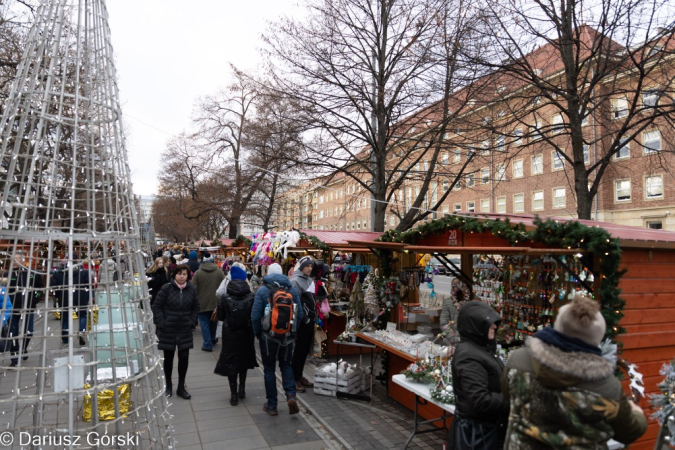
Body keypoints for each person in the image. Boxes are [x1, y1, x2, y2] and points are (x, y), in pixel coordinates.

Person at [502, 295, 648, 449]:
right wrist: (637, 413)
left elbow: (508, 394)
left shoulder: (519, 360)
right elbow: (629, 432)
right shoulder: (607, 387)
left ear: (559, 325)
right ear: (597, 337)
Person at [448, 301, 509, 450]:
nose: (495, 326)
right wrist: (512, 398)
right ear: (477, 325)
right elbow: (480, 401)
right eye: (490, 323)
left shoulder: (480, 349)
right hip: (477, 436)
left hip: (485, 432)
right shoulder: (469, 355)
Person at [251, 262, 303, 416]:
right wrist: (293, 331)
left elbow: (255, 316)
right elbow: (299, 315)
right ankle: (290, 396)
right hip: (287, 337)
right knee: (286, 365)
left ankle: (272, 405)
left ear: (268, 273)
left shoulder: (262, 291)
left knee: (269, 369)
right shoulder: (292, 290)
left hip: (268, 337)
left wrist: (257, 333)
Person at [152, 264, 200, 399]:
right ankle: (168, 386)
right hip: (168, 329)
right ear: (174, 275)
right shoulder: (166, 288)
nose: (181, 276)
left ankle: (181, 386)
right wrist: (162, 322)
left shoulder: (191, 289)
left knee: (184, 358)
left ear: (187, 276)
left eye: (184, 274)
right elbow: (157, 306)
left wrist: (192, 321)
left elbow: (196, 307)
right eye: (179, 274)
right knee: (169, 358)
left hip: (184, 329)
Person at [214, 266, 258, 406]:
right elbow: (254, 316)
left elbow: (220, 316)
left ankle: (233, 395)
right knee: (244, 360)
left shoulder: (224, 297)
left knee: (231, 362)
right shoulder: (252, 296)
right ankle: (242, 388)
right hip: (246, 333)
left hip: (230, 335)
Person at [290, 256, 316, 393]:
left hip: (309, 320)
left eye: (311, 266)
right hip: (302, 322)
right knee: (299, 350)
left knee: (305, 349)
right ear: (301, 267)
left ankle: (299, 375)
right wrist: (304, 318)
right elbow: (296, 303)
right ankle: (293, 378)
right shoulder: (295, 281)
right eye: (307, 266)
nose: (310, 268)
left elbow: (311, 300)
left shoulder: (309, 280)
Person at [192, 253, 224, 352]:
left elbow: (193, 288)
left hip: (202, 302)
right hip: (215, 302)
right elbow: (223, 287)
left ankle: (207, 344)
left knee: (204, 324)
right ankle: (213, 339)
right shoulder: (219, 272)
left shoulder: (198, 273)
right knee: (213, 321)